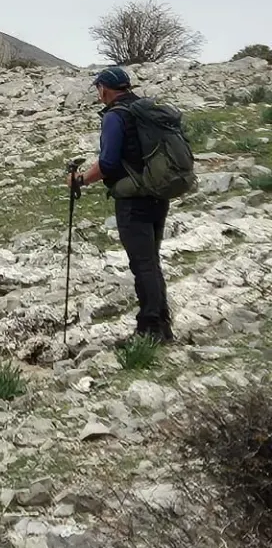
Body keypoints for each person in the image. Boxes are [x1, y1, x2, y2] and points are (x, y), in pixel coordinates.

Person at [73, 65, 173, 343]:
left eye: (98, 88)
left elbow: (107, 163)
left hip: (133, 200)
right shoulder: (145, 110)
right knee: (151, 261)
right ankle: (162, 325)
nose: (98, 93)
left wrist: (80, 180)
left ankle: (150, 329)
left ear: (104, 88)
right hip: (158, 192)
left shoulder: (115, 117)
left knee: (142, 263)